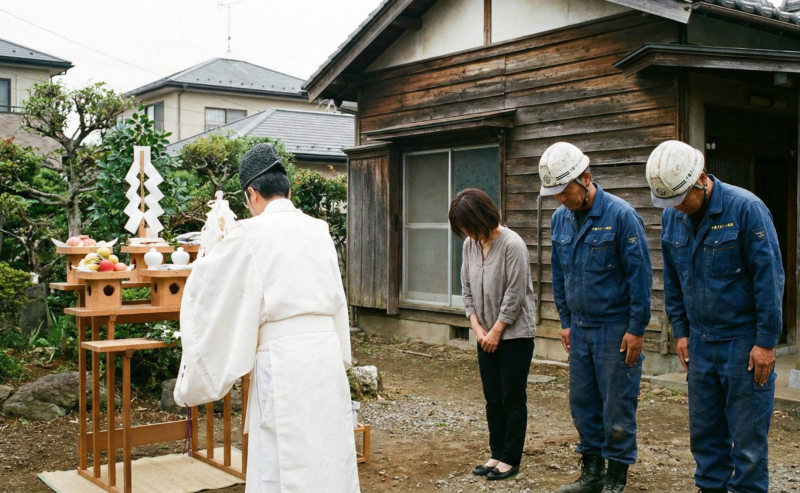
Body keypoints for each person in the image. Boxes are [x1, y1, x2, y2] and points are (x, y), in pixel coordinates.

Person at [173, 143, 359, 493]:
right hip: (324, 356)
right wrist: (341, 355)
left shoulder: (249, 234)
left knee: (282, 462)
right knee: (328, 454)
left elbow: (207, 291)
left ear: (252, 194)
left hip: (283, 360)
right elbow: (337, 298)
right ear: (288, 190)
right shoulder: (319, 229)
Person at [647, 140, 783, 493]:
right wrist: (681, 331)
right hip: (701, 343)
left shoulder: (746, 209)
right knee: (706, 435)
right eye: (669, 201)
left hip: (744, 342)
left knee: (748, 440)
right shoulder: (673, 216)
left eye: (680, 198)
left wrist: (766, 342)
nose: (675, 206)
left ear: (701, 180)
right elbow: (673, 278)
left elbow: (770, 279)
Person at [542, 142, 652, 493]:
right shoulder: (559, 219)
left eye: (564, 190)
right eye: (555, 193)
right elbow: (559, 275)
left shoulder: (621, 216)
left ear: (585, 178)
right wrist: (565, 321)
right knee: (583, 403)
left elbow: (641, 278)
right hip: (581, 328)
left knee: (617, 405)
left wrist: (636, 329)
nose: (560, 198)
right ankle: (592, 474)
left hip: (616, 328)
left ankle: (616, 479)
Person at [449, 188, 536, 482]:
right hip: (484, 334)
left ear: (483, 216)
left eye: (468, 225)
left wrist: (497, 330)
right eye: (461, 228)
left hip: (515, 335)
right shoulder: (470, 246)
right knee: (492, 397)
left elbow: (515, 293)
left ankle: (511, 458)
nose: (465, 232)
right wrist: (477, 327)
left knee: (512, 397)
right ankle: (496, 452)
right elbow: (467, 288)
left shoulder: (513, 244)